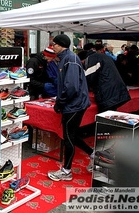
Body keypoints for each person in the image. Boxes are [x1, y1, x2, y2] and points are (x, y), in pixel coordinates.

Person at [48, 34, 94, 181]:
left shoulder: (70, 59)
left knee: (68, 137)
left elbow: (72, 87)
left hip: (74, 105)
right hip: (74, 103)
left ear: (62, 45)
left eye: (54, 44)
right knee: (71, 135)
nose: (52, 46)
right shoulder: (65, 58)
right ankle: (92, 154)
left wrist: (60, 103)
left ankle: (66, 171)